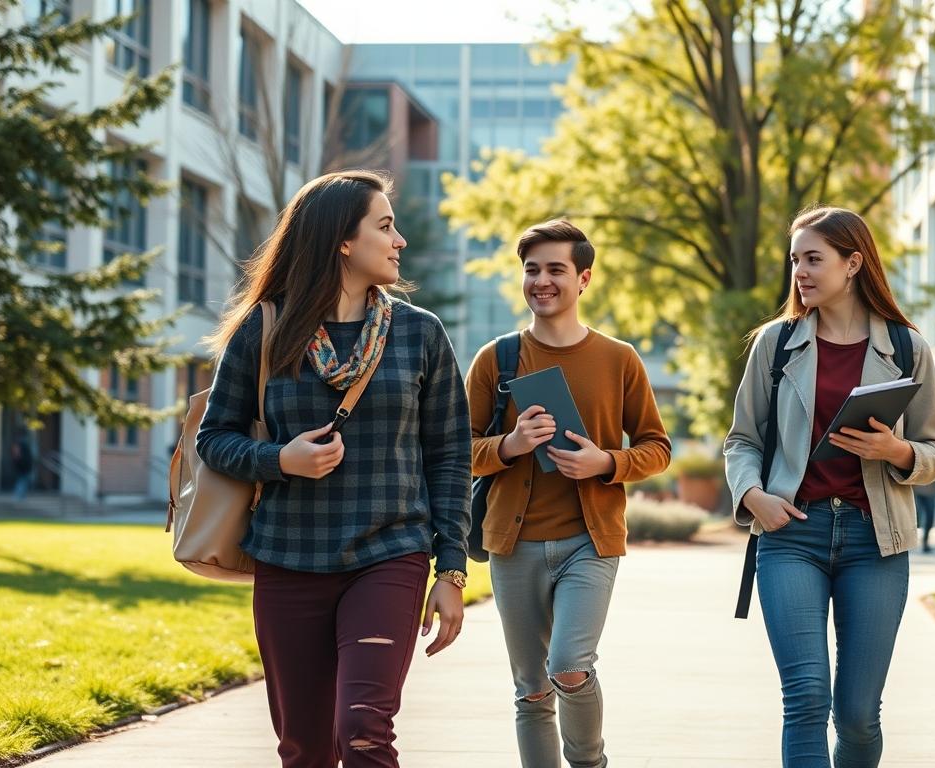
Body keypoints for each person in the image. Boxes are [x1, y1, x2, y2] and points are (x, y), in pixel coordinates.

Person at [196, 170, 471, 768]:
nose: (399, 241)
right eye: (385, 226)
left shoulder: (420, 334)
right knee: (305, 748)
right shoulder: (264, 329)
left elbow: (449, 458)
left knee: (364, 729)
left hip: (389, 554)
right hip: (288, 559)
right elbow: (212, 439)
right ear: (342, 241)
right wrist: (279, 460)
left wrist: (450, 572)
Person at [724, 206, 935, 768]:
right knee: (805, 699)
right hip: (790, 536)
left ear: (854, 263)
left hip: (874, 543)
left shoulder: (906, 348)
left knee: (856, 713)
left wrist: (896, 451)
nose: (799, 271)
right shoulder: (775, 345)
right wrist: (753, 497)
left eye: (813, 259)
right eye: (795, 259)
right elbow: (741, 441)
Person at [466, 219, 671, 768]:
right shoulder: (497, 359)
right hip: (514, 546)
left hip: (590, 542)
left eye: (556, 269)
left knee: (569, 667)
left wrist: (606, 462)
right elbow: (453, 452)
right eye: (532, 270)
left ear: (584, 279)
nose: (542, 281)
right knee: (532, 688)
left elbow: (657, 446)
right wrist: (508, 445)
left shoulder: (618, 358)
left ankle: (590, 762)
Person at [913, 478, 935, 552]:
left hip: (931, 492)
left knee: (930, 518)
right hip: (917, 490)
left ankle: (925, 539)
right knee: (916, 517)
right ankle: (913, 540)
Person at [11, 436, 33, 501]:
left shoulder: (23, 447)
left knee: (23, 481)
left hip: (23, 467)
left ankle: (21, 496)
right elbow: (17, 456)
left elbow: (17, 456)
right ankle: (18, 496)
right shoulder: (23, 447)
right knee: (22, 481)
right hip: (23, 467)